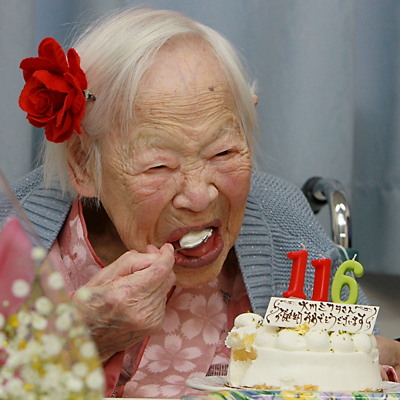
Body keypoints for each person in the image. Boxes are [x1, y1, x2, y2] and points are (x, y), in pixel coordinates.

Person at [1, 7, 400, 398]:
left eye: (223, 153)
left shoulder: (281, 223)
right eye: (158, 165)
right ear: (85, 164)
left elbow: (363, 362)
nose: (198, 195)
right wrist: (76, 338)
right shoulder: (15, 235)